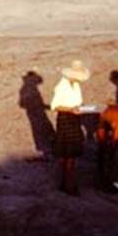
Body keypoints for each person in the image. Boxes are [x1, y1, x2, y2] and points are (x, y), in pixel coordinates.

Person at [51, 60, 90, 196]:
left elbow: (77, 103)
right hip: (66, 118)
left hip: (74, 118)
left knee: (72, 154)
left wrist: (79, 109)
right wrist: (71, 110)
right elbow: (55, 106)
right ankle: (68, 185)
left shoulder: (75, 85)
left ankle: (68, 183)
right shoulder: (62, 86)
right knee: (69, 154)